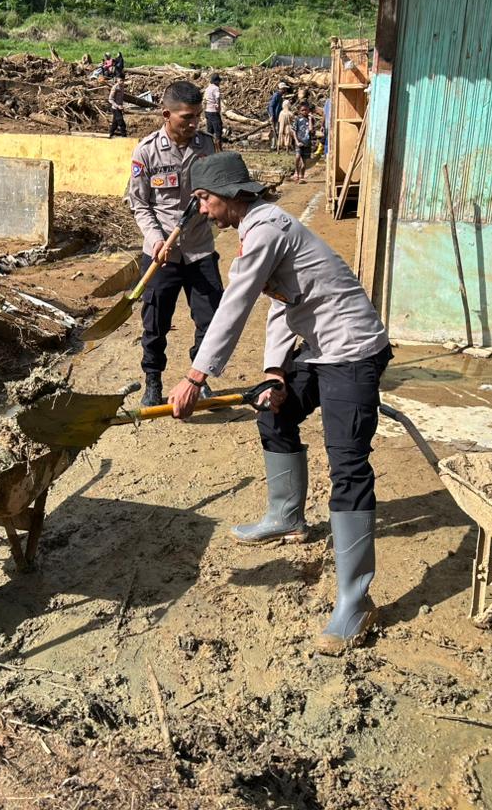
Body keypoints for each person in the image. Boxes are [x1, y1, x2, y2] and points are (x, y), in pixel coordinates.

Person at [165, 151, 392, 655]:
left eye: (203, 199)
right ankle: (287, 515)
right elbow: (278, 304)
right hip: (318, 348)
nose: (201, 210)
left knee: (348, 467)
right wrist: (273, 373)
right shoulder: (257, 227)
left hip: (352, 353)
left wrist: (195, 376)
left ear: (227, 194)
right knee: (274, 409)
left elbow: (237, 302)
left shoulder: (266, 228)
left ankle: (356, 603)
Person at [127, 81, 223, 406]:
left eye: (197, 116)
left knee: (210, 319)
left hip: (199, 248)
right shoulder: (146, 151)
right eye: (186, 117)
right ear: (166, 114)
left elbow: (218, 191)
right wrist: (155, 240)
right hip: (161, 253)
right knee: (155, 323)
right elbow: (140, 203)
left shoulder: (207, 147)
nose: (194, 123)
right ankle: (152, 379)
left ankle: (199, 377)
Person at [293, 103, 314, 182]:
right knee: (297, 156)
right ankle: (296, 172)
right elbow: (294, 131)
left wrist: (310, 119)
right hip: (299, 142)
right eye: (302, 110)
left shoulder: (311, 120)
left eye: (306, 110)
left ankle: (302, 176)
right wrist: (296, 141)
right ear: (299, 111)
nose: (304, 111)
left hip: (307, 143)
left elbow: (311, 130)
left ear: (309, 110)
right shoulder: (298, 120)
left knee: (304, 162)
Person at [203, 73, 223, 150]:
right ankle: (219, 149)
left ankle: (209, 148)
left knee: (209, 131)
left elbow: (204, 100)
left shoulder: (207, 88)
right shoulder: (216, 88)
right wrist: (218, 107)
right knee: (218, 130)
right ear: (217, 81)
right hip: (213, 111)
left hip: (207, 111)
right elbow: (217, 97)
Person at [267, 81, 287, 150]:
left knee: (277, 130)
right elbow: (271, 106)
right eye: (284, 89)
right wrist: (272, 115)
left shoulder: (280, 96)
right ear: (281, 89)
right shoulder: (276, 95)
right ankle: (273, 146)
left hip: (278, 116)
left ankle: (276, 145)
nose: (285, 90)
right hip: (274, 116)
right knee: (274, 130)